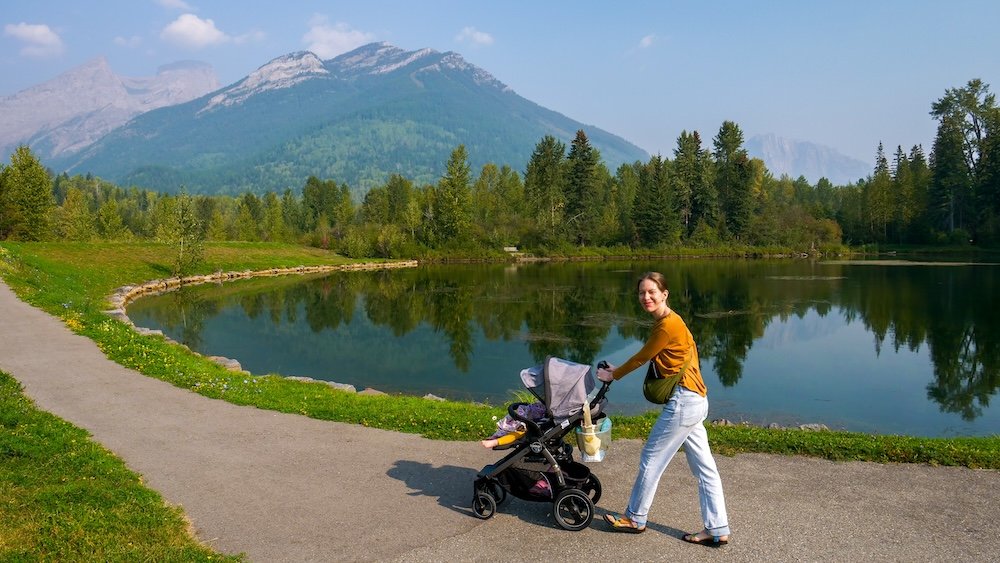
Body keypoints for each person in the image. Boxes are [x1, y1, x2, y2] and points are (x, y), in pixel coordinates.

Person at [596, 271, 731, 547]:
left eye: (651, 292)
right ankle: (718, 529)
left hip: (684, 403)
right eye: (641, 293)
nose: (646, 297)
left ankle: (635, 518)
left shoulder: (668, 325)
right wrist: (618, 369)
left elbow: (643, 356)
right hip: (695, 400)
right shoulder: (674, 321)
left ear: (664, 294)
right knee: (705, 469)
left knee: (651, 458)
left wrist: (615, 375)